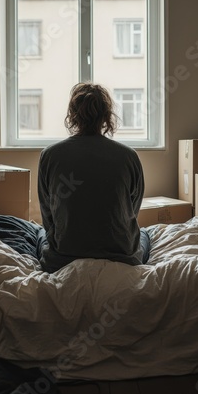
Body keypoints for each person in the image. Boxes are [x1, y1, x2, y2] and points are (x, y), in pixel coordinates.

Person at [37, 82, 150, 273]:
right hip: (122, 257)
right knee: (145, 234)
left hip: (63, 259)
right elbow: (131, 210)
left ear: (73, 115)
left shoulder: (49, 155)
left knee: (38, 233)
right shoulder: (129, 156)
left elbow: (48, 213)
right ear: (107, 116)